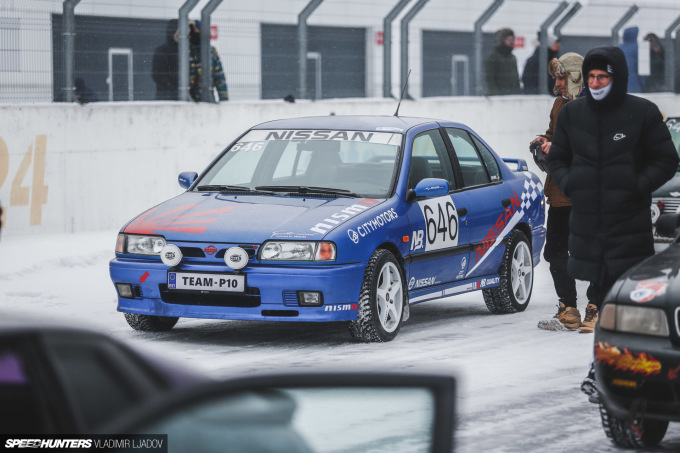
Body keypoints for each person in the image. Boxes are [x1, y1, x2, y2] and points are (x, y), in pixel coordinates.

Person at [547, 46, 679, 334]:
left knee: (627, 304)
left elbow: (667, 160)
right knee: (598, 292)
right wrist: (572, 185)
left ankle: (622, 349)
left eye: (602, 77)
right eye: (591, 77)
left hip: (629, 225)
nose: (595, 83)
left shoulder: (642, 112)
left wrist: (637, 185)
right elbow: (557, 159)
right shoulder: (572, 113)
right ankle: (595, 346)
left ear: (617, 77)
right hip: (586, 225)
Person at [530, 52, 584, 330]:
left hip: (587, 195)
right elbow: (555, 134)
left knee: (591, 253)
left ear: (575, 76)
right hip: (560, 193)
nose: (558, 83)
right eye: (556, 78)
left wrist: (560, 147)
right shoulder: (559, 103)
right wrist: (544, 140)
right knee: (554, 252)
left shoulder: (593, 106)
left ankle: (597, 307)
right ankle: (568, 307)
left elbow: (594, 146)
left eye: (562, 77)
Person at [189, 20, 229, 103]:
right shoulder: (184, 50)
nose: (195, 34)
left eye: (197, 32)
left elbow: (220, 78)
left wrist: (224, 100)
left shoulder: (211, 51)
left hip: (208, 100)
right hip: (188, 101)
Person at [484, 28, 520, 96]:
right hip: (499, 97)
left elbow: (516, 79)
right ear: (502, 41)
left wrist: (518, 93)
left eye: (513, 40)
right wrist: (495, 94)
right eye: (509, 40)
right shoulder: (493, 57)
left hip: (512, 96)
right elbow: (490, 79)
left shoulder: (512, 58)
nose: (512, 42)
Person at [152, 19, 179, 100]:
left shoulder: (188, 51)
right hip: (166, 97)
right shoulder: (162, 51)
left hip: (185, 97)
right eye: (177, 32)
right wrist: (174, 87)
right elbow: (158, 75)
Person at [619, 26, 643, 93]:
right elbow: (641, 68)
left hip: (621, 83)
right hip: (634, 83)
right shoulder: (637, 48)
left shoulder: (619, 47)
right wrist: (642, 84)